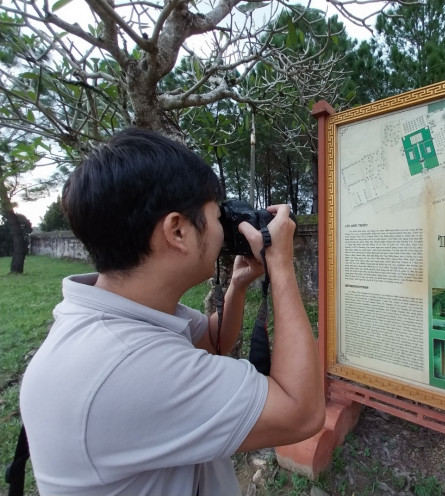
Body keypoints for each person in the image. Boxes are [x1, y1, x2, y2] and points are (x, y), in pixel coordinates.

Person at [19, 128, 326, 496]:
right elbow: (303, 412)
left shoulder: (120, 313)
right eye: (216, 216)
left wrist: (238, 285)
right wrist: (282, 267)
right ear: (177, 231)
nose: (222, 229)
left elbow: (214, 342)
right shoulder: (128, 365)